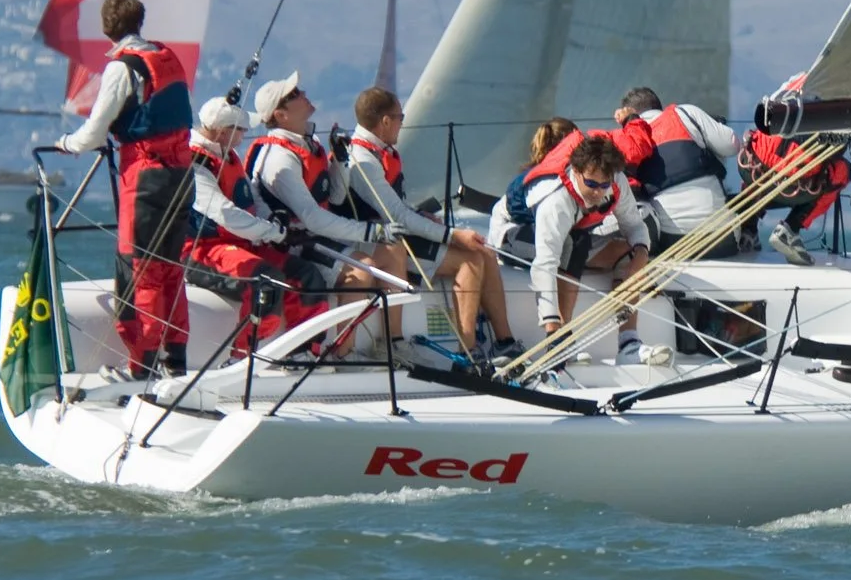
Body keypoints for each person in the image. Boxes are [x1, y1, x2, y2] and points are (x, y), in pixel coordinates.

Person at [58, 0, 194, 377]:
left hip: (146, 176)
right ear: (140, 21)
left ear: (107, 29)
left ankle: (142, 368)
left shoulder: (123, 68)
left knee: (142, 269)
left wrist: (67, 144)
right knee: (170, 268)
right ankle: (176, 361)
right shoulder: (167, 59)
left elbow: (92, 133)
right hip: (181, 176)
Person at [339, 86, 516, 361]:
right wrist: (452, 235)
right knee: (469, 261)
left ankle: (505, 342)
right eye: (400, 117)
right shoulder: (363, 161)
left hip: (397, 232)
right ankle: (468, 353)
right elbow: (395, 215)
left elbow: (399, 209)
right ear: (385, 121)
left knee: (486, 253)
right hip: (376, 241)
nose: (402, 123)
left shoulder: (378, 152)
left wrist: (423, 217)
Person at [244, 74, 408, 340]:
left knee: (391, 251)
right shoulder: (279, 161)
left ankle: (394, 341)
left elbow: (335, 198)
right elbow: (312, 219)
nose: (303, 92)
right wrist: (371, 232)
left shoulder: (309, 143)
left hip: (316, 235)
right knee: (360, 269)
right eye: (294, 94)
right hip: (291, 242)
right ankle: (344, 355)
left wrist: (339, 162)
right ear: (281, 115)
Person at [489, 127, 668, 364]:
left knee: (627, 251)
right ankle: (562, 339)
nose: (597, 192)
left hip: (569, 234)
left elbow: (635, 226)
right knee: (575, 242)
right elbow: (545, 264)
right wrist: (551, 330)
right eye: (591, 183)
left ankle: (629, 344)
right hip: (511, 233)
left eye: (604, 186)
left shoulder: (615, 182)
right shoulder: (555, 201)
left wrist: (641, 256)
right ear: (576, 171)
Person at [739, 74, 851, 266]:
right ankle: (790, 229)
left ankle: (747, 227)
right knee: (842, 171)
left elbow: (768, 112)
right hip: (794, 186)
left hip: (751, 169)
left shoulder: (803, 78)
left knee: (762, 145)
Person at [182, 96, 308, 353]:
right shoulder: (196, 163)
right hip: (203, 251)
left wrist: (273, 220)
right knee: (267, 280)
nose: (244, 135)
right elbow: (225, 214)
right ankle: (241, 356)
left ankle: (304, 350)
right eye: (240, 130)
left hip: (241, 245)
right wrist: (274, 234)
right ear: (222, 131)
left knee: (305, 274)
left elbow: (252, 198)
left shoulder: (228, 155)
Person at [609, 86, 740, 254]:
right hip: (722, 238)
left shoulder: (625, 140)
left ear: (626, 114)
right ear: (657, 106)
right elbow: (732, 146)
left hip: (671, 245)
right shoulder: (685, 113)